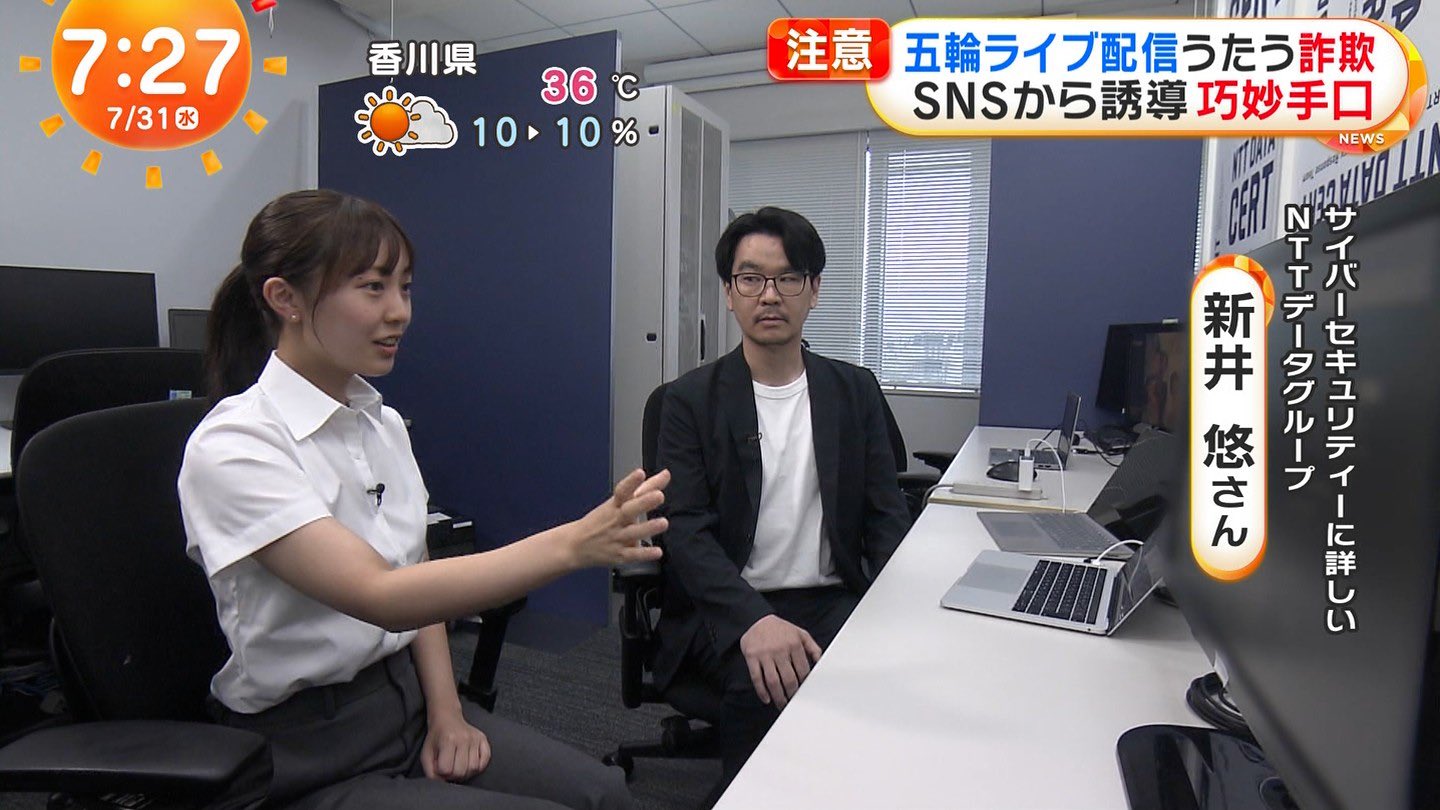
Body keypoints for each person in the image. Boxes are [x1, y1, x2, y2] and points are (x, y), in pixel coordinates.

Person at [178, 189, 667, 810]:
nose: (400, 312)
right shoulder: (235, 445)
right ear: (286, 299)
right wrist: (573, 544)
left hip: (406, 706)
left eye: (404, 287)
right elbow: (383, 596)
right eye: (373, 288)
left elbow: (416, 572)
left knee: (605, 795)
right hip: (308, 753)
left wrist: (447, 712)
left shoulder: (381, 424)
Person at [653, 206, 912, 791]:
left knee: (885, 681)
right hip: (727, 605)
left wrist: (890, 607)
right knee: (766, 678)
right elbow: (685, 530)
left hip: (832, 596)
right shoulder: (689, 401)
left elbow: (886, 513)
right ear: (729, 293)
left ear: (813, 290)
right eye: (751, 278)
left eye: (788, 278)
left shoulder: (853, 390)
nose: (769, 295)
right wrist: (753, 620)